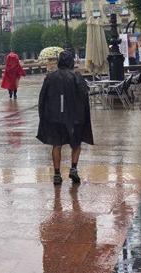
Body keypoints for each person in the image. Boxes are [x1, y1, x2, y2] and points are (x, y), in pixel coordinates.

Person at [37, 51, 94, 186]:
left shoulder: (50, 77)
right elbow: (84, 94)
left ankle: (57, 174)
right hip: (74, 117)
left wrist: (42, 116)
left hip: (54, 117)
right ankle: (73, 168)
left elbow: (42, 98)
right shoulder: (76, 76)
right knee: (76, 144)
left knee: (56, 145)